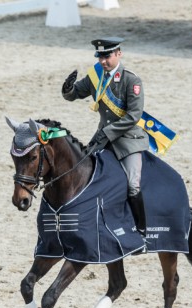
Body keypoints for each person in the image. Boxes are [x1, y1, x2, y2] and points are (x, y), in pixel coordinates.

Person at [61, 36, 148, 231]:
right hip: (102, 138)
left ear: (119, 53)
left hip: (128, 140)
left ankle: (141, 230)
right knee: (81, 172)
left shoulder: (131, 80)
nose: (102, 61)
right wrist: (67, 90)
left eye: (107, 56)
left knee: (133, 184)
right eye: (100, 57)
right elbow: (75, 94)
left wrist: (108, 132)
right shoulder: (97, 74)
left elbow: (133, 116)